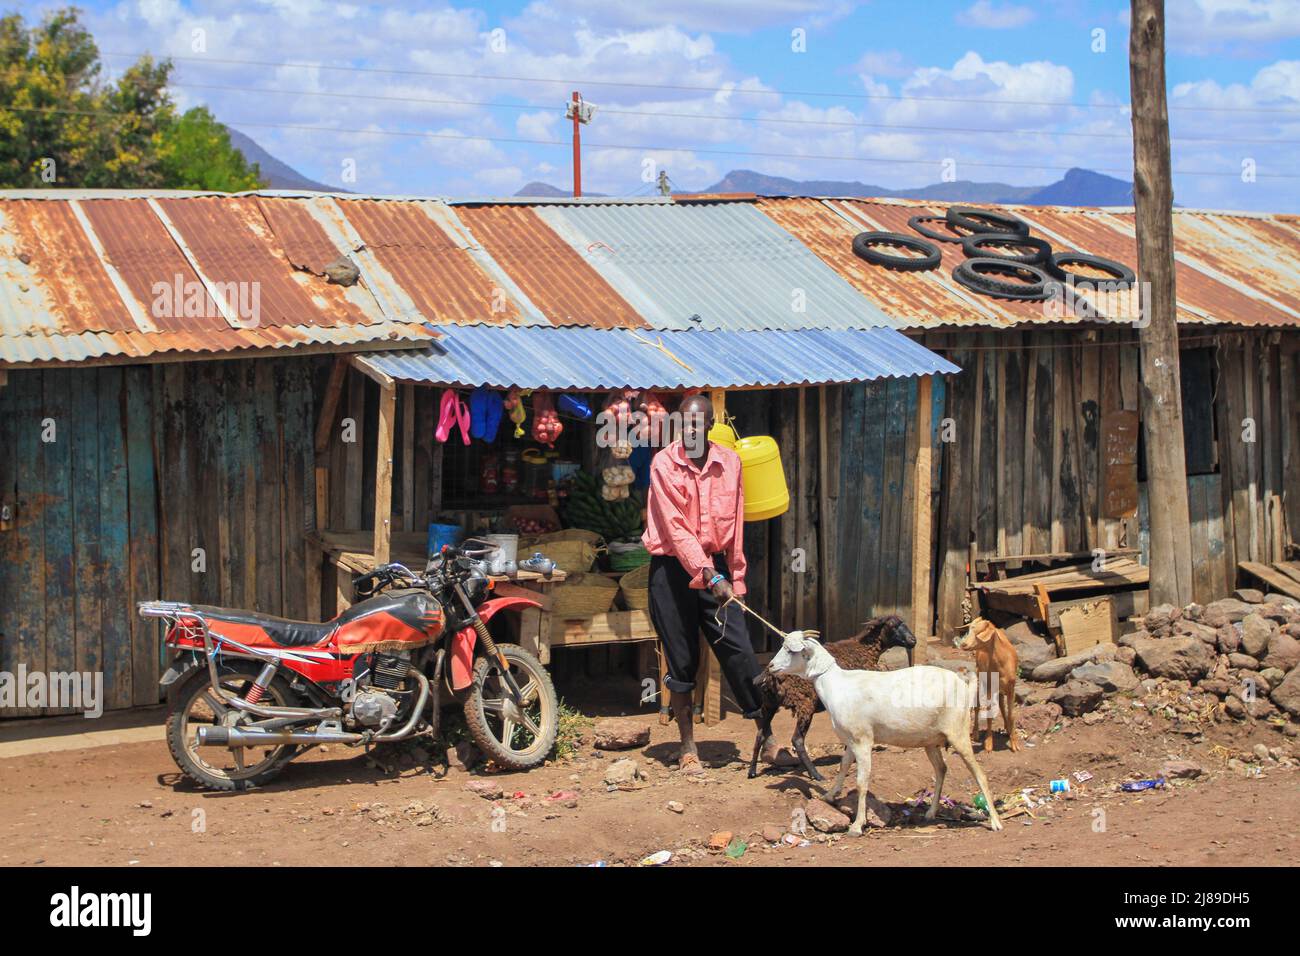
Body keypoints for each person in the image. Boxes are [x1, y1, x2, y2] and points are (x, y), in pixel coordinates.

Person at [641, 393, 766, 775]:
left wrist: (736, 577)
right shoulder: (664, 464)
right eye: (686, 422)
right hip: (672, 571)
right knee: (682, 659)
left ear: (711, 424)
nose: (692, 428)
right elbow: (676, 530)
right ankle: (688, 748)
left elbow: (738, 525)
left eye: (699, 422)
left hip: (716, 573)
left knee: (740, 649)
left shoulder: (730, 463)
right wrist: (709, 574)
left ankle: (769, 737)